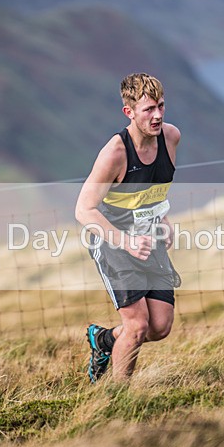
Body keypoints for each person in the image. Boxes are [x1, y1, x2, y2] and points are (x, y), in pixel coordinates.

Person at [75, 72, 181, 383]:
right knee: (136, 327)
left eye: (161, 106)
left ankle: (104, 341)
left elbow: (154, 186)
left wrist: (162, 218)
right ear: (129, 112)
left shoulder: (171, 137)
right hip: (112, 242)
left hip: (149, 240)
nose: (158, 115)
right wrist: (125, 242)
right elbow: (83, 209)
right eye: (149, 109)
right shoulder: (116, 153)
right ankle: (117, 401)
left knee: (159, 326)